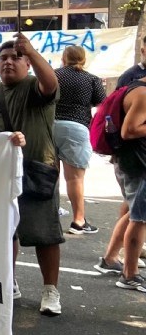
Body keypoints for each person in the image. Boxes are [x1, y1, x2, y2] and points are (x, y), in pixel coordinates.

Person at [0, 35, 64, 316]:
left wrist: (32, 51)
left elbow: (50, 83)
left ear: (27, 64)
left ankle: (50, 290)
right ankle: (9, 280)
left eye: (16, 57)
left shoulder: (34, 87)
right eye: (3, 58)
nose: (8, 62)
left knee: (45, 234)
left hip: (36, 170)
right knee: (5, 232)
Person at [53, 46, 106, 235]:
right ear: (83, 59)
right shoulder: (91, 79)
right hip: (76, 127)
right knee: (75, 178)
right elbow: (103, 104)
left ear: (64, 58)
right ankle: (78, 220)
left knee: (50, 174)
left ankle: (49, 216)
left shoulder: (53, 74)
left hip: (50, 125)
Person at [107, 73, 146, 293]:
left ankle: (110, 258)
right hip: (138, 163)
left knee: (134, 213)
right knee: (140, 219)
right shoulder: (142, 92)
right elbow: (129, 130)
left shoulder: (137, 87)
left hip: (132, 161)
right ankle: (130, 275)